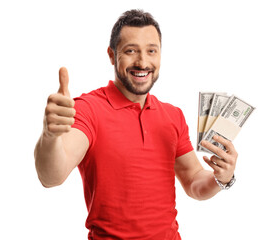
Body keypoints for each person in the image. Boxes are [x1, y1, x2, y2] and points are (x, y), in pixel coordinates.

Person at [34, 9, 238, 240]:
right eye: (131, 51)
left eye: (151, 51)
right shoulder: (88, 109)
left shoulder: (173, 116)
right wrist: (50, 136)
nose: (143, 62)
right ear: (112, 55)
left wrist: (221, 178)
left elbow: (193, 182)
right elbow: (51, 177)